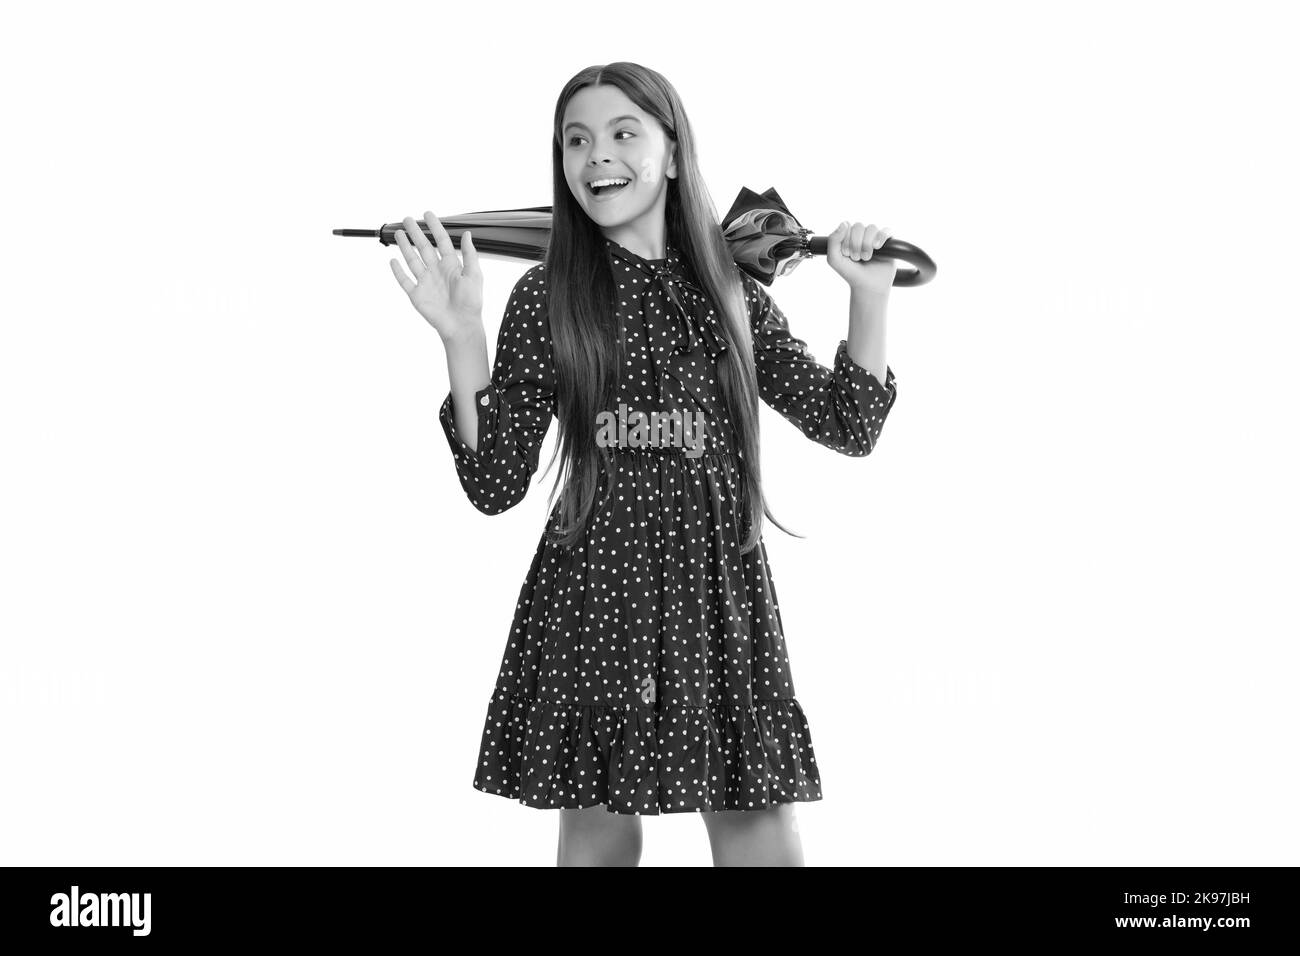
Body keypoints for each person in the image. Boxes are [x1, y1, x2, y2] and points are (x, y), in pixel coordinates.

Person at [389, 62, 899, 866]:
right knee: (596, 835)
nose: (599, 156)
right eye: (577, 140)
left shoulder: (730, 291)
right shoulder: (547, 295)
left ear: (671, 153)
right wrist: (461, 338)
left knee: (760, 828)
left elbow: (849, 422)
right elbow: (494, 485)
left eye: (624, 133)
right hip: (596, 598)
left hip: (716, 596)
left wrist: (868, 298)